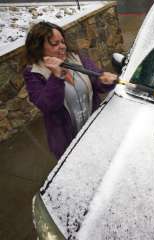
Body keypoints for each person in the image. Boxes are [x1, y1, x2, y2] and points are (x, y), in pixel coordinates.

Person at [23, 21, 117, 159]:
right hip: (68, 142)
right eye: (54, 44)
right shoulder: (34, 73)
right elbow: (48, 106)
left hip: (94, 129)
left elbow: (96, 81)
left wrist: (105, 81)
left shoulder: (76, 59)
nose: (62, 47)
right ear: (39, 48)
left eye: (62, 42)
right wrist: (56, 76)